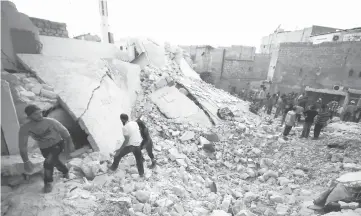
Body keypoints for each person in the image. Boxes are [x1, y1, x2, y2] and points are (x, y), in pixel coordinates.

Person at [18, 104, 74, 193]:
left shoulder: (51, 122)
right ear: (29, 116)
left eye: (40, 112)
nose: (40, 115)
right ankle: (65, 170)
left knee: (48, 163)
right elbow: (22, 146)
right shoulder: (25, 128)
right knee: (54, 161)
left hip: (57, 144)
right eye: (36, 114)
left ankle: (48, 182)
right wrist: (26, 161)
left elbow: (64, 132)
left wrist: (70, 143)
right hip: (44, 149)